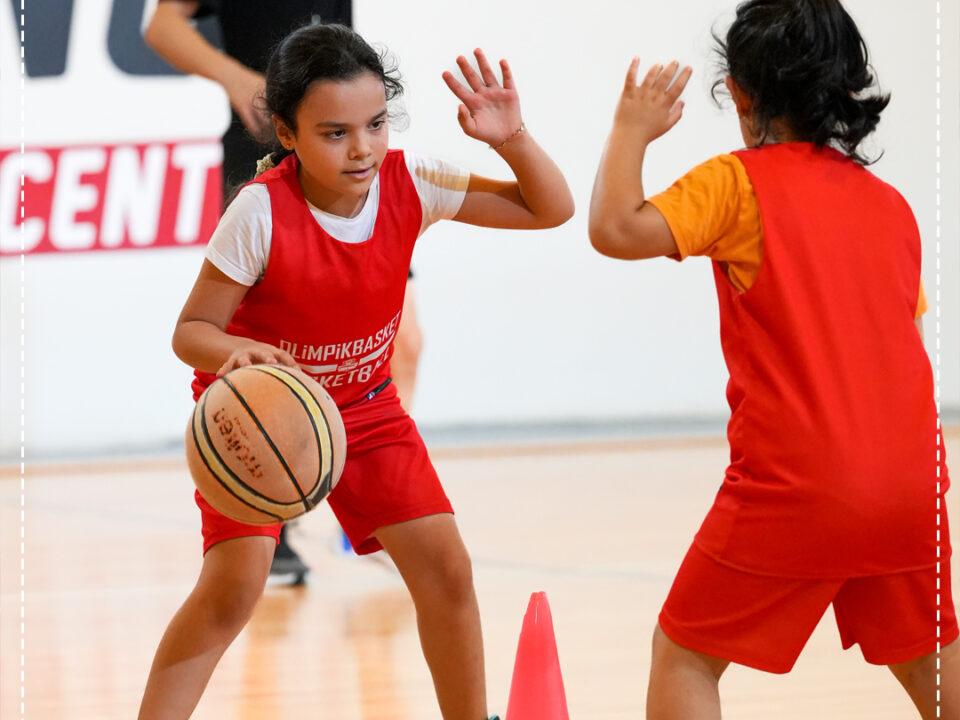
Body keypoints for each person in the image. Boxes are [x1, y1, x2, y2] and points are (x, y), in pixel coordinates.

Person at [137, 22, 573, 720]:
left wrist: (511, 138)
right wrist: (236, 355)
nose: (362, 146)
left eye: (374, 123)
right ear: (287, 133)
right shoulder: (259, 212)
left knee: (445, 568)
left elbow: (551, 209)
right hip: (263, 416)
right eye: (334, 132)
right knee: (234, 590)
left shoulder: (414, 183)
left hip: (367, 408)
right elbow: (191, 332)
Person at [588, 1, 957, 718]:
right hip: (914, 483)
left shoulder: (737, 183)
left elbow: (613, 227)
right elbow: (900, 344)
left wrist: (630, 131)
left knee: (685, 653)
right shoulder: (890, 206)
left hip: (802, 483)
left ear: (741, 94)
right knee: (929, 665)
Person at [145, 0, 422, 583]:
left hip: (344, 142)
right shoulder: (264, 190)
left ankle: (366, 504)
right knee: (281, 343)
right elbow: (161, 25)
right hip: (276, 140)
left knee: (407, 344)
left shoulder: (387, 160)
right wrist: (238, 79)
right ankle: (275, 508)